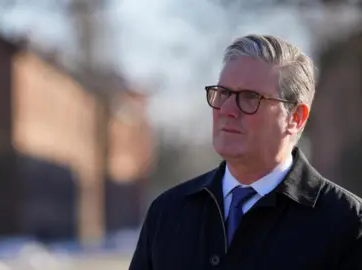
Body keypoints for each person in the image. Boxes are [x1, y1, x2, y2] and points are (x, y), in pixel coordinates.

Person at [128, 34, 362, 270]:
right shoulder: (168, 213)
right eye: (223, 93)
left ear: (295, 117)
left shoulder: (346, 224)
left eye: (250, 97)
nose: (227, 110)